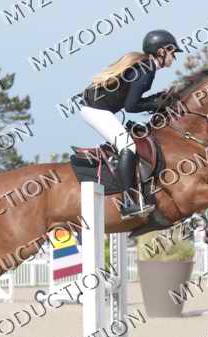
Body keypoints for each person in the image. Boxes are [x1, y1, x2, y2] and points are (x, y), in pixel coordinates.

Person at [78, 29, 181, 219]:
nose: (174, 57)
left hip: (98, 109)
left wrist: (156, 99)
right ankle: (127, 203)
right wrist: (156, 103)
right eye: (172, 52)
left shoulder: (145, 66)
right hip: (95, 111)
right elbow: (131, 106)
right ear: (161, 51)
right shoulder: (146, 70)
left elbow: (132, 101)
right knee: (128, 146)